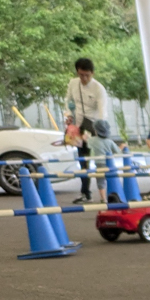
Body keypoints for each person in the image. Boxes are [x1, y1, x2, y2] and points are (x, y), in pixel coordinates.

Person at [65, 57, 109, 202]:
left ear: (93, 73)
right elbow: (68, 101)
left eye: (87, 75)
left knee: (99, 160)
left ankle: (105, 193)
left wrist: (96, 133)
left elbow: (102, 113)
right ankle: (85, 192)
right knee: (82, 159)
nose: (84, 78)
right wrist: (68, 115)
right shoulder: (73, 83)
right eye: (81, 74)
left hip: (94, 125)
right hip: (78, 125)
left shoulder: (98, 88)